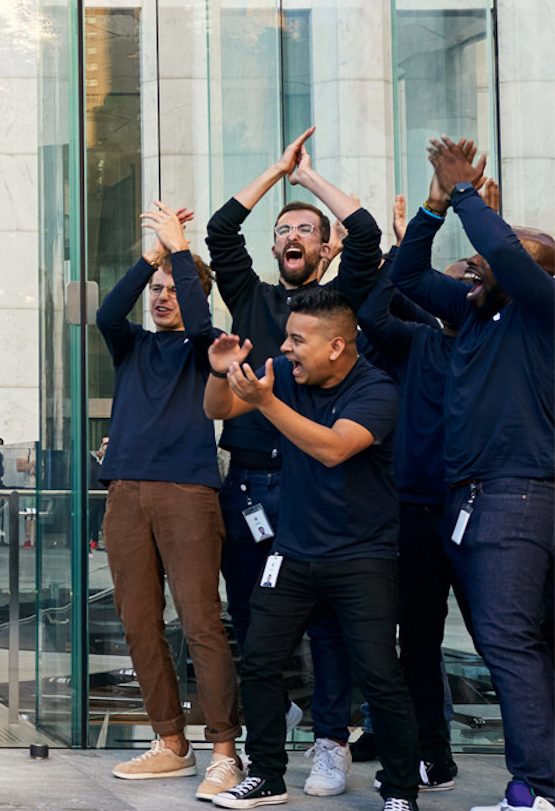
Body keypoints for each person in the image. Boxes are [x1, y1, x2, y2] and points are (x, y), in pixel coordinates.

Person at [206, 127, 382, 796]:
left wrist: (309, 181)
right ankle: (269, 732)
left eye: (306, 229)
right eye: (283, 228)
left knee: (328, 621)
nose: (293, 237)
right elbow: (223, 231)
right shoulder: (249, 299)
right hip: (248, 485)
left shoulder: (338, 309)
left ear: (322, 244)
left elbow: (365, 237)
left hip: (315, 482)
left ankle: (331, 742)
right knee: (251, 615)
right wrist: (275, 172)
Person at [203, 286, 418, 811]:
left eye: (298, 339)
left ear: (337, 347)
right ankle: (269, 776)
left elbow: (333, 449)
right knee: (257, 661)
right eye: (287, 338)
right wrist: (218, 372)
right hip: (293, 553)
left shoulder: (377, 390)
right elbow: (219, 407)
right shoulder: (286, 373)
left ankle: (400, 792)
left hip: (361, 556)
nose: (288, 348)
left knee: (378, 675)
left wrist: (267, 401)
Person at [390, 139, 554, 811]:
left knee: (510, 642)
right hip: (476, 498)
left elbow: (513, 258)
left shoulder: (540, 311)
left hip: (513, 495)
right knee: (519, 642)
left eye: (504, 250)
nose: (484, 258)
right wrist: (434, 207)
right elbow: (406, 277)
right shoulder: (473, 314)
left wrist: (465, 195)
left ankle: (536, 790)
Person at [94, 202, 242, 799]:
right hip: (125, 491)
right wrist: (150, 257)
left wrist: (181, 253)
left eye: (170, 290)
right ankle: (170, 742)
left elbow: (206, 327)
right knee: (137, 621)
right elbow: (107, 311)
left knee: (202, 620)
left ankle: (225, 750)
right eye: (154, 289)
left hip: (187, 493)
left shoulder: (205, 348)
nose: (160, 298)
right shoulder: (130, 345)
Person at [355, 194, 473, 793]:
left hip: (482, 512)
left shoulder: (499, 344)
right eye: (452, 280)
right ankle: (435, 757)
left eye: (474, 278)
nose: (463, 287)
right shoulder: (419, 341)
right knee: (419, 643)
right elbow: (374, 316)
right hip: (416, 514)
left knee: (507, 639)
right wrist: (403, 250)